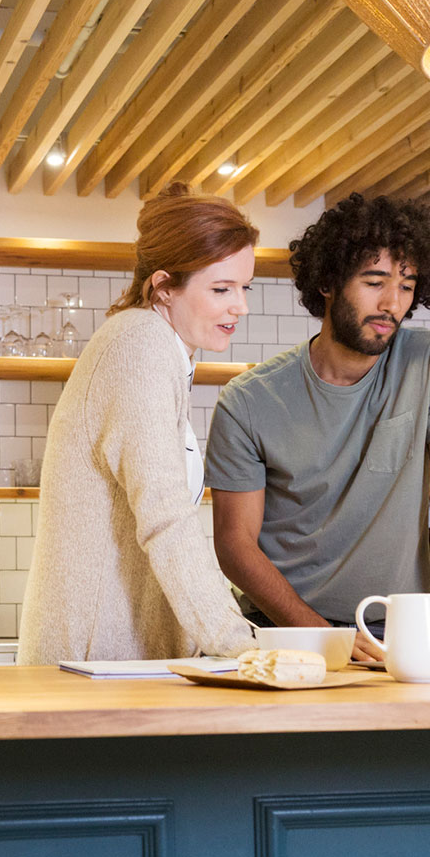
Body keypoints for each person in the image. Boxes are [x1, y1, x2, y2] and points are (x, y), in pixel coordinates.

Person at [205, 193, 430, 657]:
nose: (392, 304)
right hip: (285, 632)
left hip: (398, 631)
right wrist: (327, 638)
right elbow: (234, 544)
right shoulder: (247, 401)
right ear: (328, 281)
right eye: (374, 281)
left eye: (406, 286)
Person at [17, 184, 262, 665]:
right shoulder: (139, 347)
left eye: (244, 287)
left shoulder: (156, 346)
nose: (241, 306)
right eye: (221, 289)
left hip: (115, 660)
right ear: (165, 285)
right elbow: (166, 515)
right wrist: (243, 649)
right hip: (93, 662)